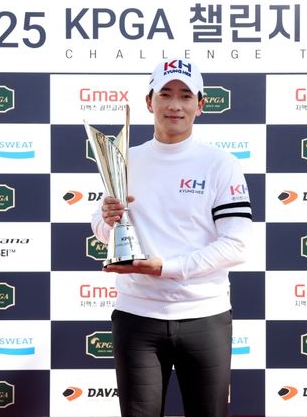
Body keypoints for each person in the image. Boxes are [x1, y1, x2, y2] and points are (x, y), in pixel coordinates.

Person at [90, 58, 253, 417]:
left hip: (204, 315)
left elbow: (237, 244)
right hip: (137, 315)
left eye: (185, 95)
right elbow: (104, 232)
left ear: (200, 104)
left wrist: (166, 267)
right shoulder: (125, 159)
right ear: (149, 102)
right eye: (165, 94)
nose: (175, 105)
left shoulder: (220, 164)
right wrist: (107, 219)